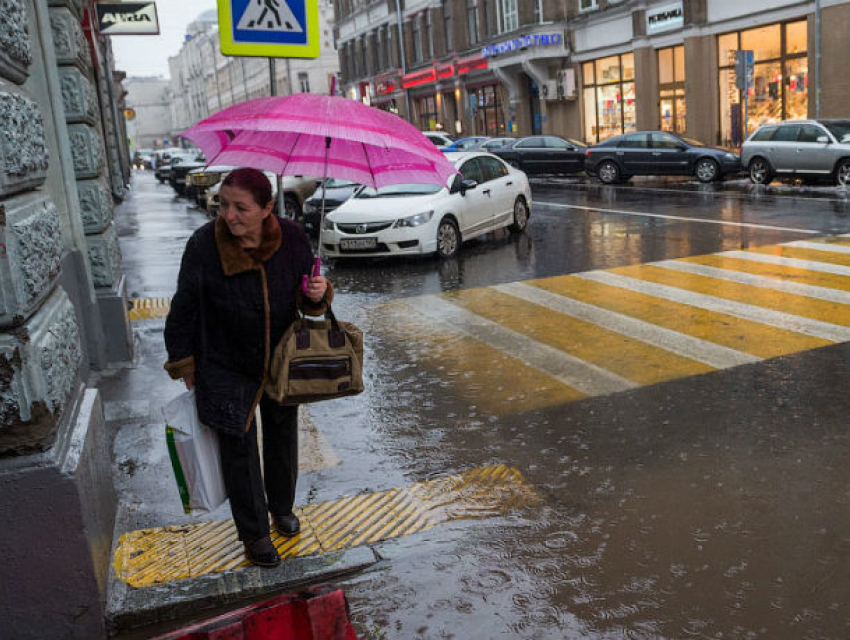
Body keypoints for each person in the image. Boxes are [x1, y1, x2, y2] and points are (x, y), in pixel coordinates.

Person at [164, 167, 331, 567]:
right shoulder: (204, 244)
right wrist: (185, 362)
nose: (229, 215)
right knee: (237, 450)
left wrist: (317, 294)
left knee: (281, 436)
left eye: (241, 207)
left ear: (267, 208)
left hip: (278, 357)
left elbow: (308, 302)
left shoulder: (291, 238)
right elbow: (183, 307)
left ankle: (282, 507)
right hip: (223, 361)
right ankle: (254, 533)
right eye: (224, 204)